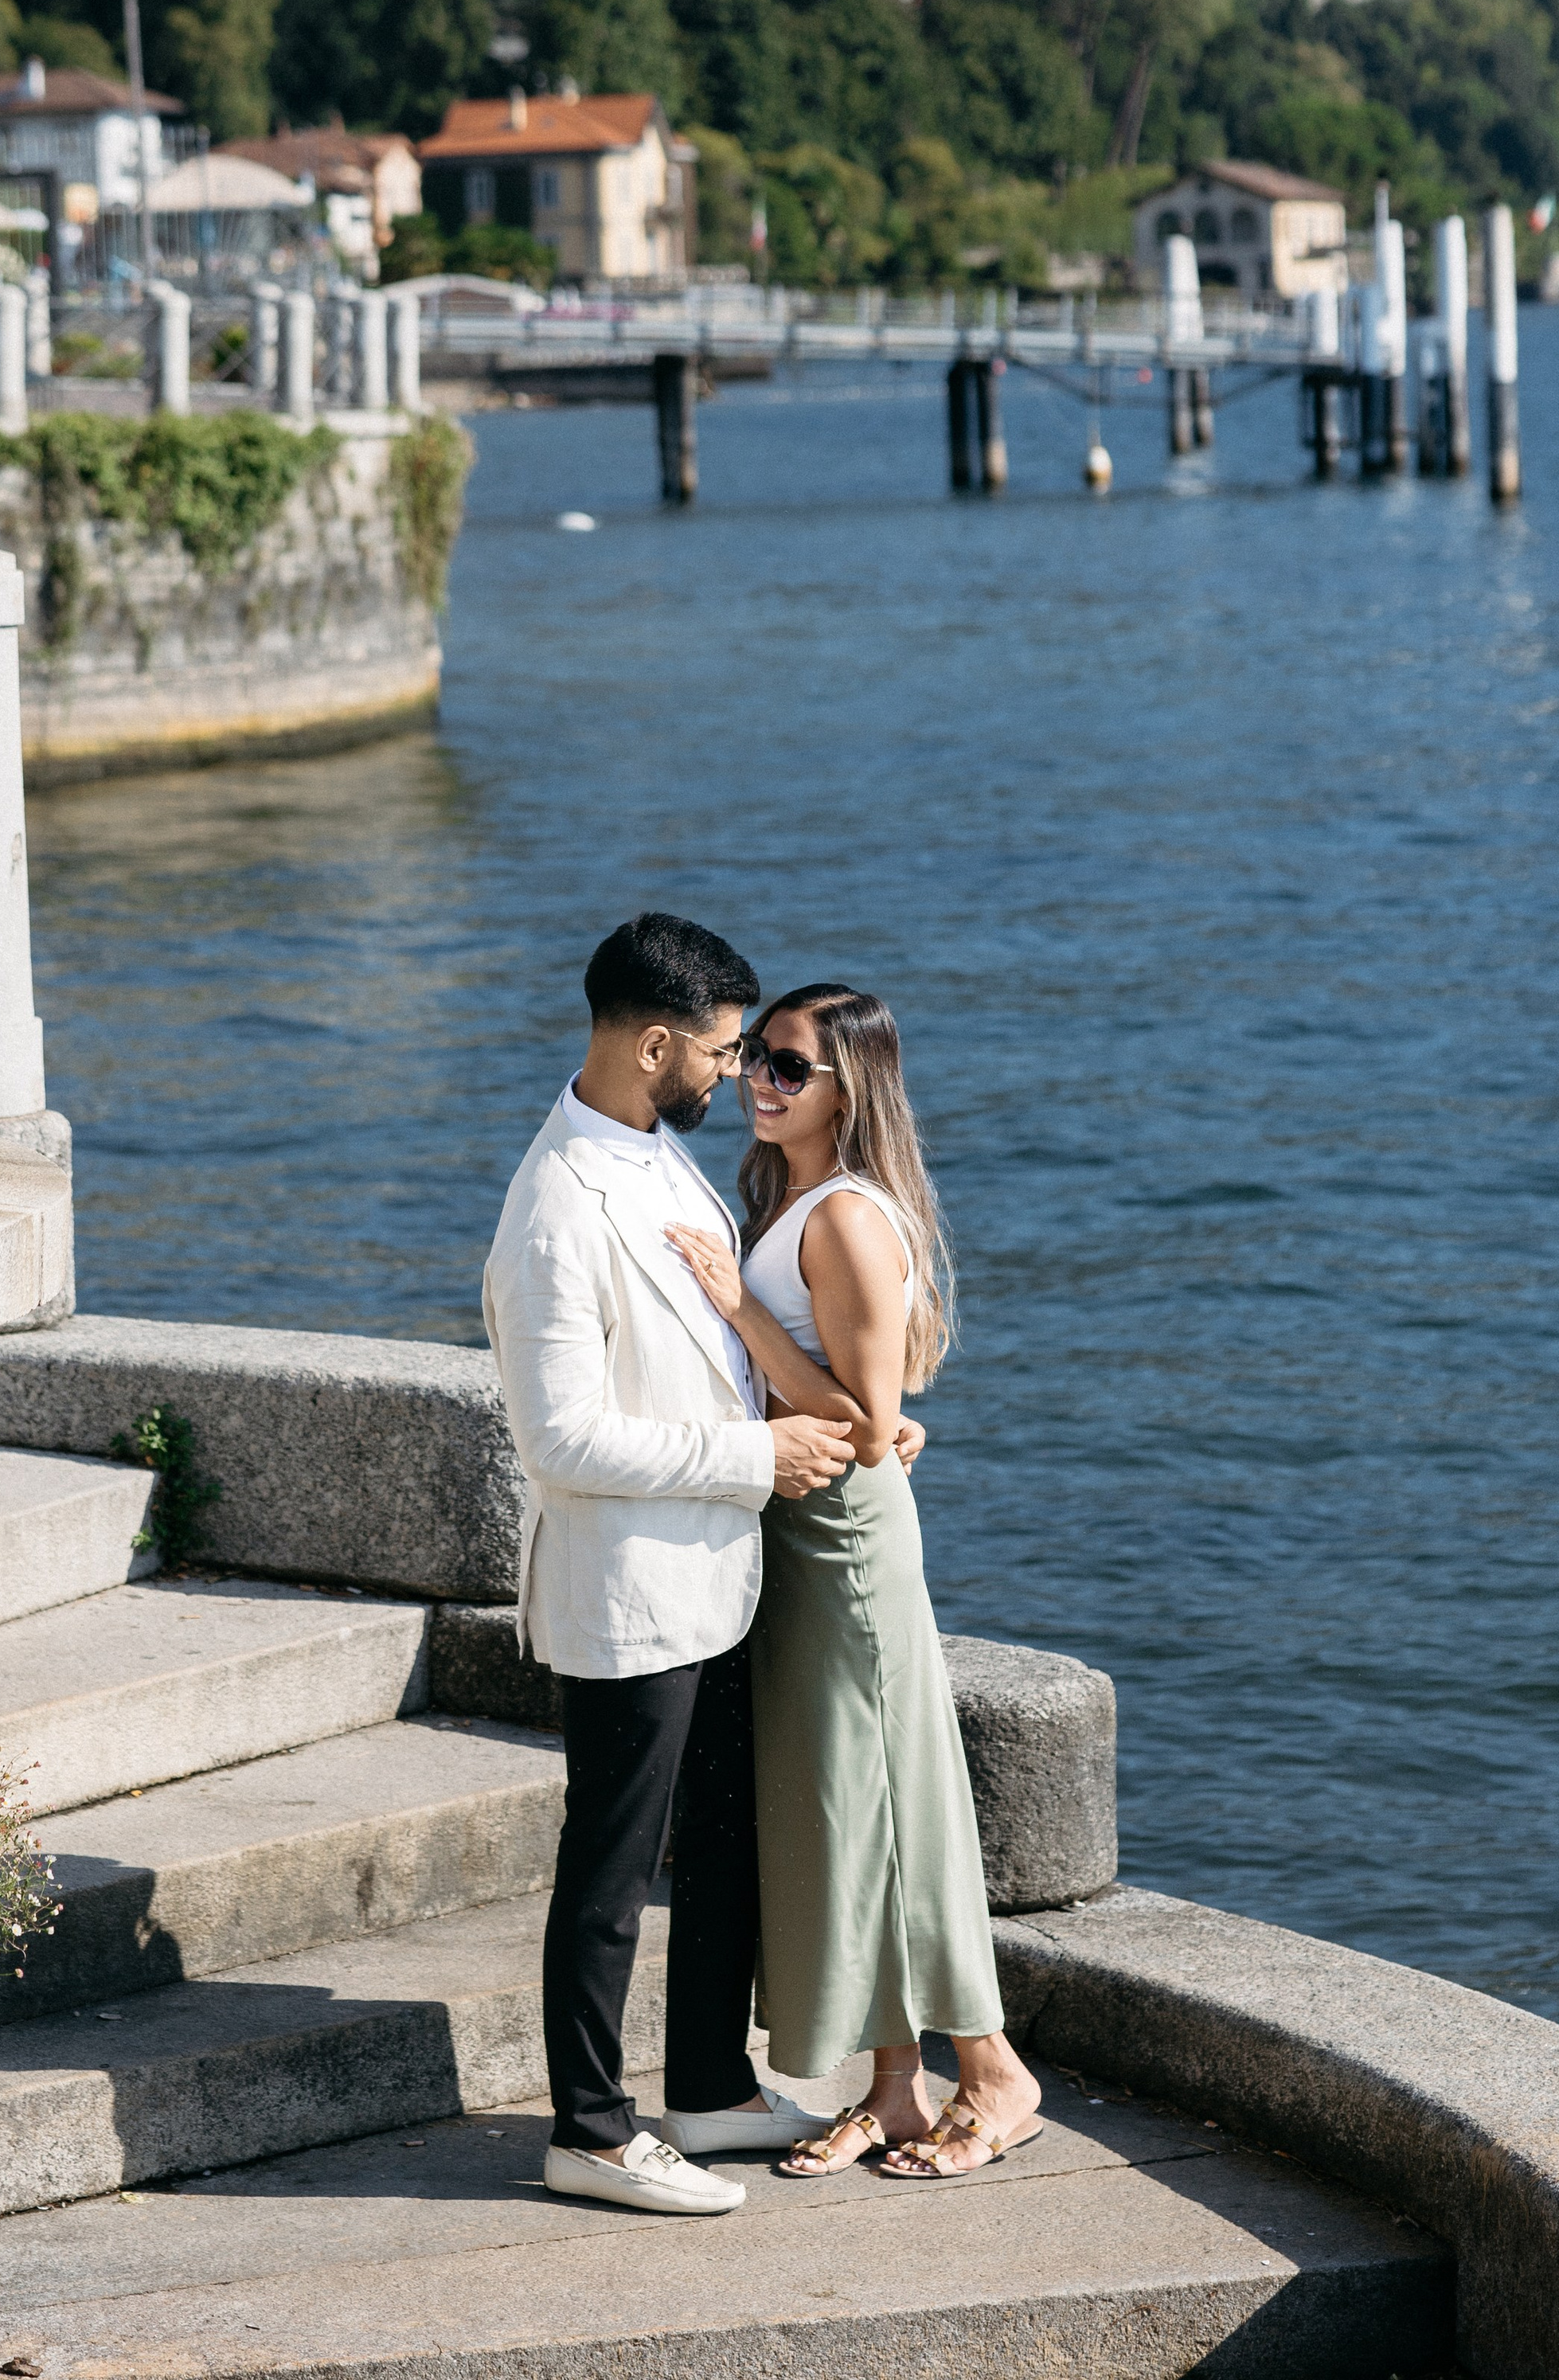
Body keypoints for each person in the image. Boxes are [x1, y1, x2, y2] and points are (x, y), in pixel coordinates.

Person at [483, 913, 862, 2218]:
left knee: (719, 1847)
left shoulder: (652, 1153)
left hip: (711, 1576)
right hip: (630, 1589)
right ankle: (588, 2132)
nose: (734, 1072)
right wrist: (758, 1457)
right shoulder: (554, 1207)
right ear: (653, 1046)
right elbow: (563, 1437)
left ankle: (707, 2085)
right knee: (609, 1868)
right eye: (717, 1049)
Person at [665, 981, 1044, 2183]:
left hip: (847, 1543)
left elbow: (872, 1428)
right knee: (843, 1808)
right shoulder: (786, 1197)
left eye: (788, 1068)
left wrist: (737, 1310)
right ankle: (894, 2086)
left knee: (892, 1802)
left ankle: (994, 2073)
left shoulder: (847, 1218)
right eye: (758, 1063)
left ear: (851, 1087)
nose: (760, 1084)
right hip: (797, 1533)